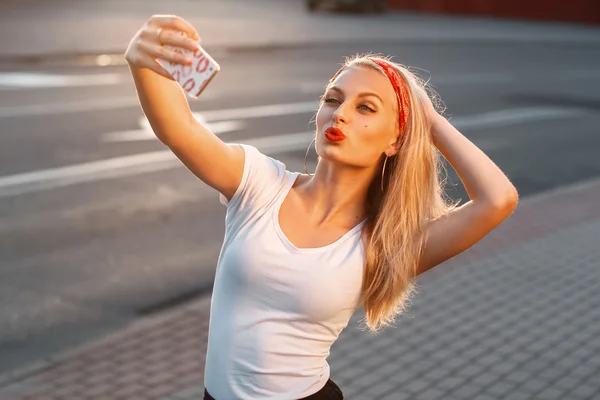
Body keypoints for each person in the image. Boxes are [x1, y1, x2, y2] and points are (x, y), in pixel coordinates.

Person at [125, 15, 519, 400]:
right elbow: (179, 127)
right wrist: (142, 59)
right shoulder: (260, 184)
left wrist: (427, 120)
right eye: (333, 99)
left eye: (366, 108)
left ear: (395, 141)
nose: (340, 113)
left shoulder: (382, 242)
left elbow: (497, 200)